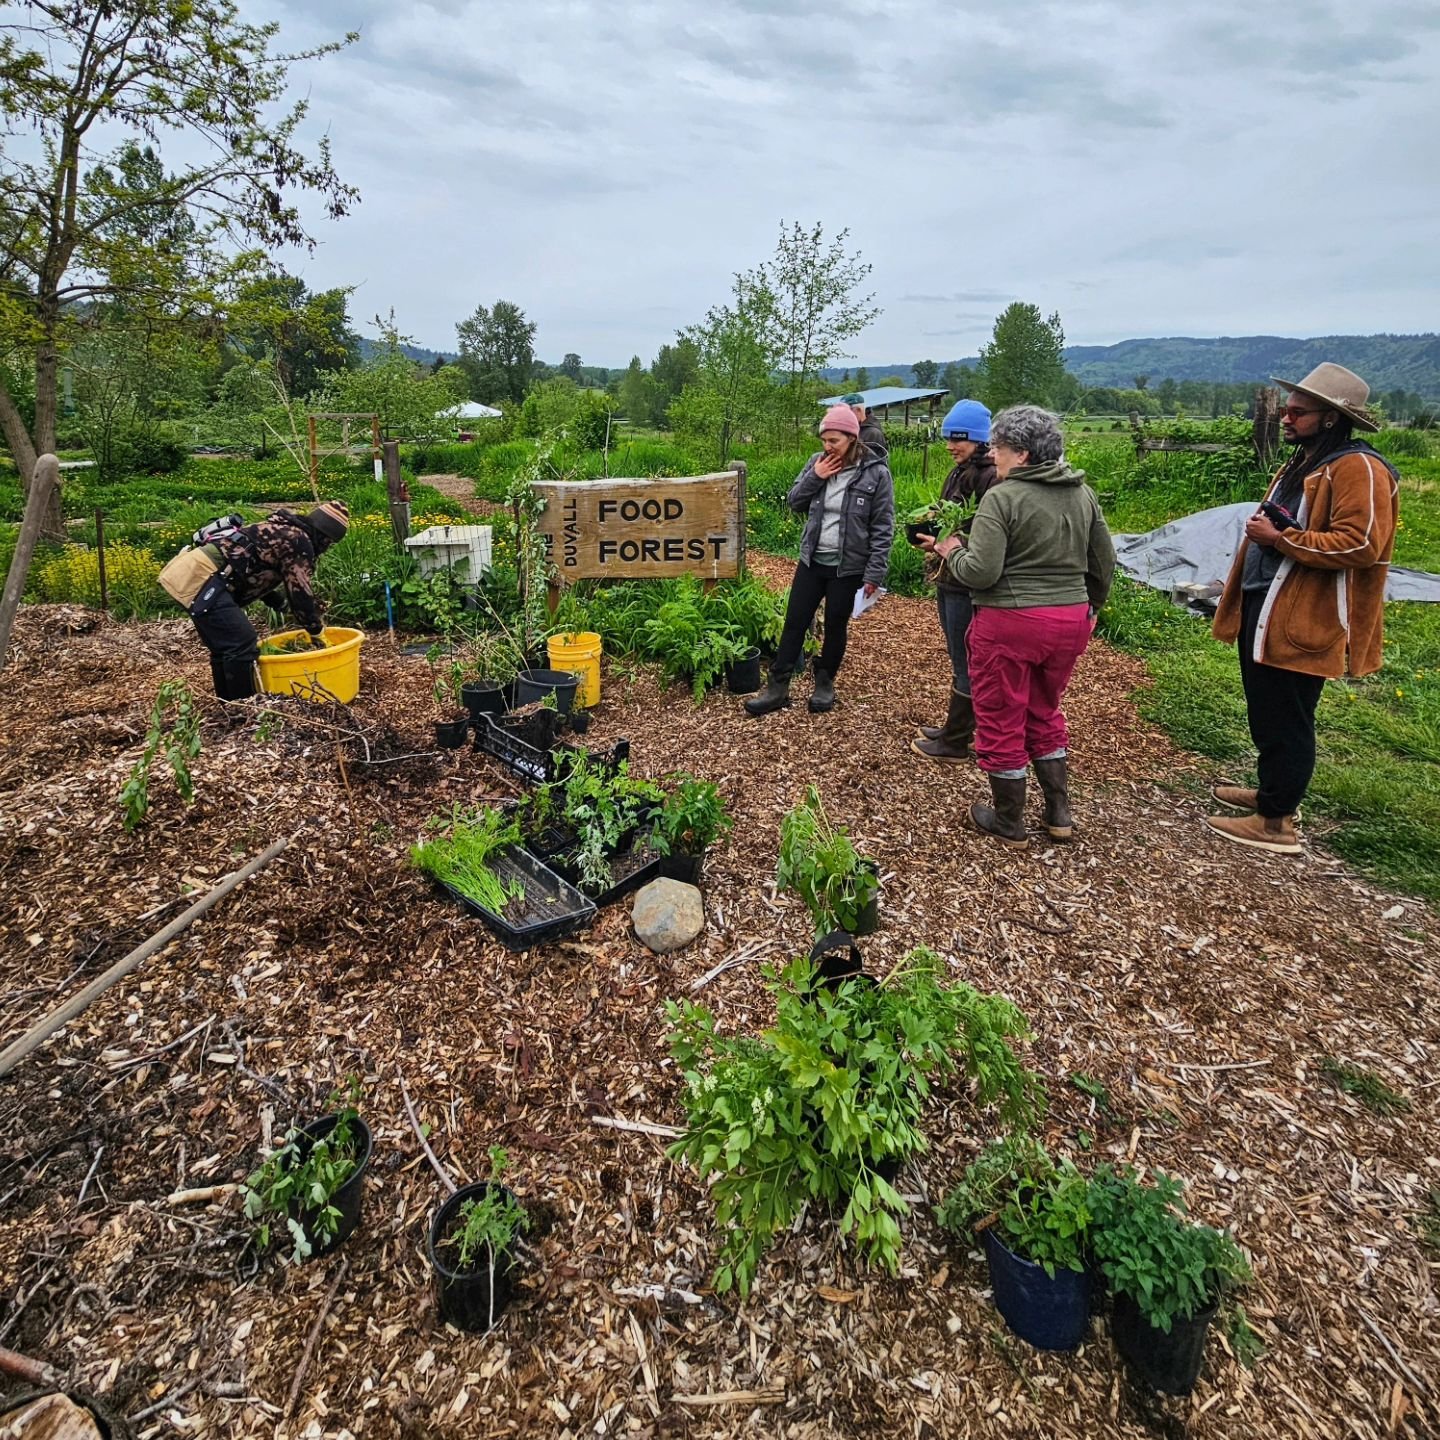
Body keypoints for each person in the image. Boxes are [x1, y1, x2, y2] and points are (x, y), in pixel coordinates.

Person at [1206, 363, 1398, 854]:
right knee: (1268, 708)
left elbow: (1362, 545)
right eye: (1286, 410)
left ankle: (1276, 822)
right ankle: (1274, 793)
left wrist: (1281, 538)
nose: (1286, 418)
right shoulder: (1305, 462)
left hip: (1303, 614)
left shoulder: (1358, 468)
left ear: (1331, 418)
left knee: (1287, 714)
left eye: (1297, 411)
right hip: (1269, 605)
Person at [922, 406, 1113, 846]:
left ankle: (1009, 820)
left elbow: (980, 573)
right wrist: (1091, 607)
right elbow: (1103, 560)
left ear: (1023, 454)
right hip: (1070, 619)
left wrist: (951, 550)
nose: (995, 455)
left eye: (1000, 447)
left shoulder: (1003, 498)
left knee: (1001, 713)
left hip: (1012, 621)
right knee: (1044, 709)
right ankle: (1058, 813)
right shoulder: (1082, 493)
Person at [745, 405, 894, 716]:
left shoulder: (876, 472)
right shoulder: (817, 463)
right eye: (824, 440)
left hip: (848, 566)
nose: (827, 447)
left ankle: (824, 683)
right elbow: (794, 501)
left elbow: (883, 526)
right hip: (812, 561)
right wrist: (816, 477)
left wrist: (875, 573)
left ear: (853, 437)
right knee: (795, 621)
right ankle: (777, 687)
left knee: (836, 625)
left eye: (834, 440)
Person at [187, 502, 350, 700]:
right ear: (324, 536)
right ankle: (243, 709)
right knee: (242, 643)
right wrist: (315, 629)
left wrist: (278, 602)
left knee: (225, 647)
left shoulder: (282, 529)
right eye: (330, 542)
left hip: (193, 573)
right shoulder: (299, 541)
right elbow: (300, 593)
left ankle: (229, 706)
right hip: (202, 579)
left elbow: (251, 567)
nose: (327, 548)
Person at [912, 398, 998, 761]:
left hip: (967, 580)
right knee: (956, 653)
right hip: (948, 575)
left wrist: (949, 545)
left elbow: (986, 533)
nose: (949, 446)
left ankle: (956, 742)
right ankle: (958, 727)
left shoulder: (989, 477)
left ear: (978, 439)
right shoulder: (961, 470)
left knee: (967, 658)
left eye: (957, 439)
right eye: (948, 438)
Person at [841, 391, 888, 457]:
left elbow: (872, 461)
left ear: (859, 410)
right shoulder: (848, 429)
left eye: (847, 412)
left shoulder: (873, 433)